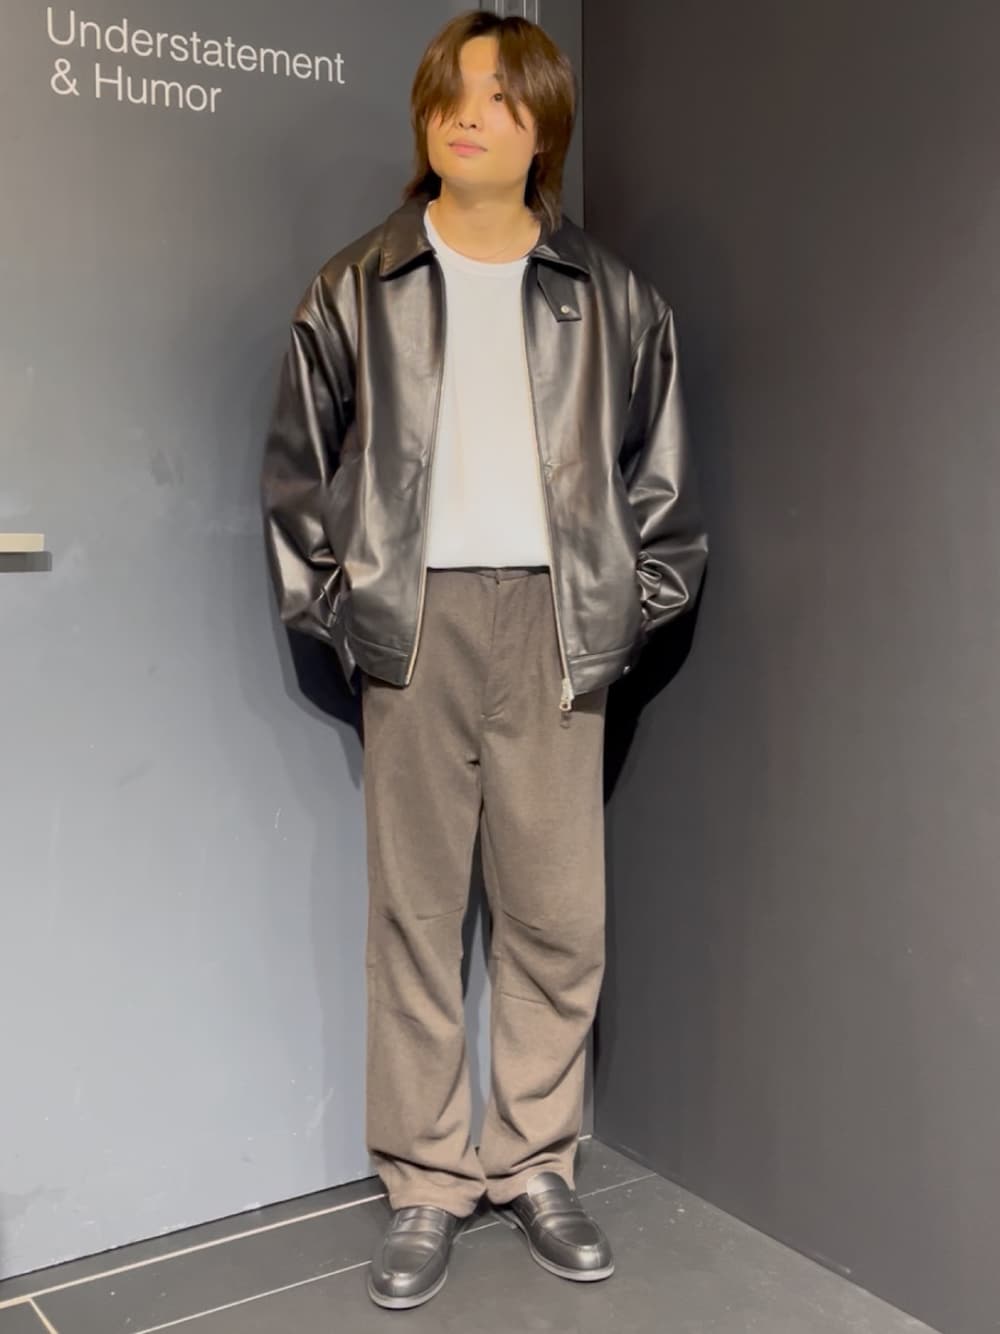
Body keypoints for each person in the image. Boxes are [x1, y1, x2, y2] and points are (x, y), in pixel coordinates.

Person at [260, 7, 708, 1312]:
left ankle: (536, 1159)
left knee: (558, 914)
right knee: (414, 915)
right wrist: (349, 615)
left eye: (504, 96)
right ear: (424, 114)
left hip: (558, 627)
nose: (472, 115)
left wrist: (619, 615)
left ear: (543, 126)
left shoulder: (613, 298)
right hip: (415, 627)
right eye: (453, 92)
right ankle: (424, 1181)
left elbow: (666, 494)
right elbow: (295, 483)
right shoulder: (354, 287)